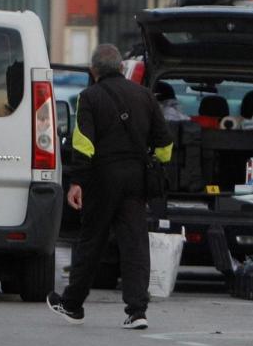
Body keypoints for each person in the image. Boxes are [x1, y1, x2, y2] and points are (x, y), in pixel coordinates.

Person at [47, 44, 173, 330]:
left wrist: (77, 182)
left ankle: (72, 304)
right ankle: (137, 311)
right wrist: (153, 160)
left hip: (102, 179)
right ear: (119, 68)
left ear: (93, 71)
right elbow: (165, 145)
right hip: (136, 179)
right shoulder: (144, 96)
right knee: (135, 245)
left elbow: (83, 144)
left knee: (91, 242)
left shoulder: (88, 98)